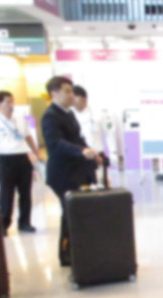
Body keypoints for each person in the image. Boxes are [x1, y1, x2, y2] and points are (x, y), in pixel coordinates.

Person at [42, 76, 101, 266]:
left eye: (71, 91)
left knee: (78, 211)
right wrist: (80, 151)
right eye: (66, 91)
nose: (71, 95)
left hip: (76, 171)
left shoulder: (68, 114)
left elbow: (78, 139)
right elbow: (57, 143)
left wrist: (92, 152)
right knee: (69, 211)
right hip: (62, 174)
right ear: (54, 94)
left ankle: (79, 248)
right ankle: (65, 253)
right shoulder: (50, 116)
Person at [0, 91, 42, 235]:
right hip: (6, 160)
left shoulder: (19, 118)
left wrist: (36, 152)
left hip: (22, 158)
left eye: (12, 101)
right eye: (8, 102)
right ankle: (3, 225)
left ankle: (25, 223)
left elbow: (28, 136)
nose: (11, 105)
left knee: (25, 193)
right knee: (6, 194)